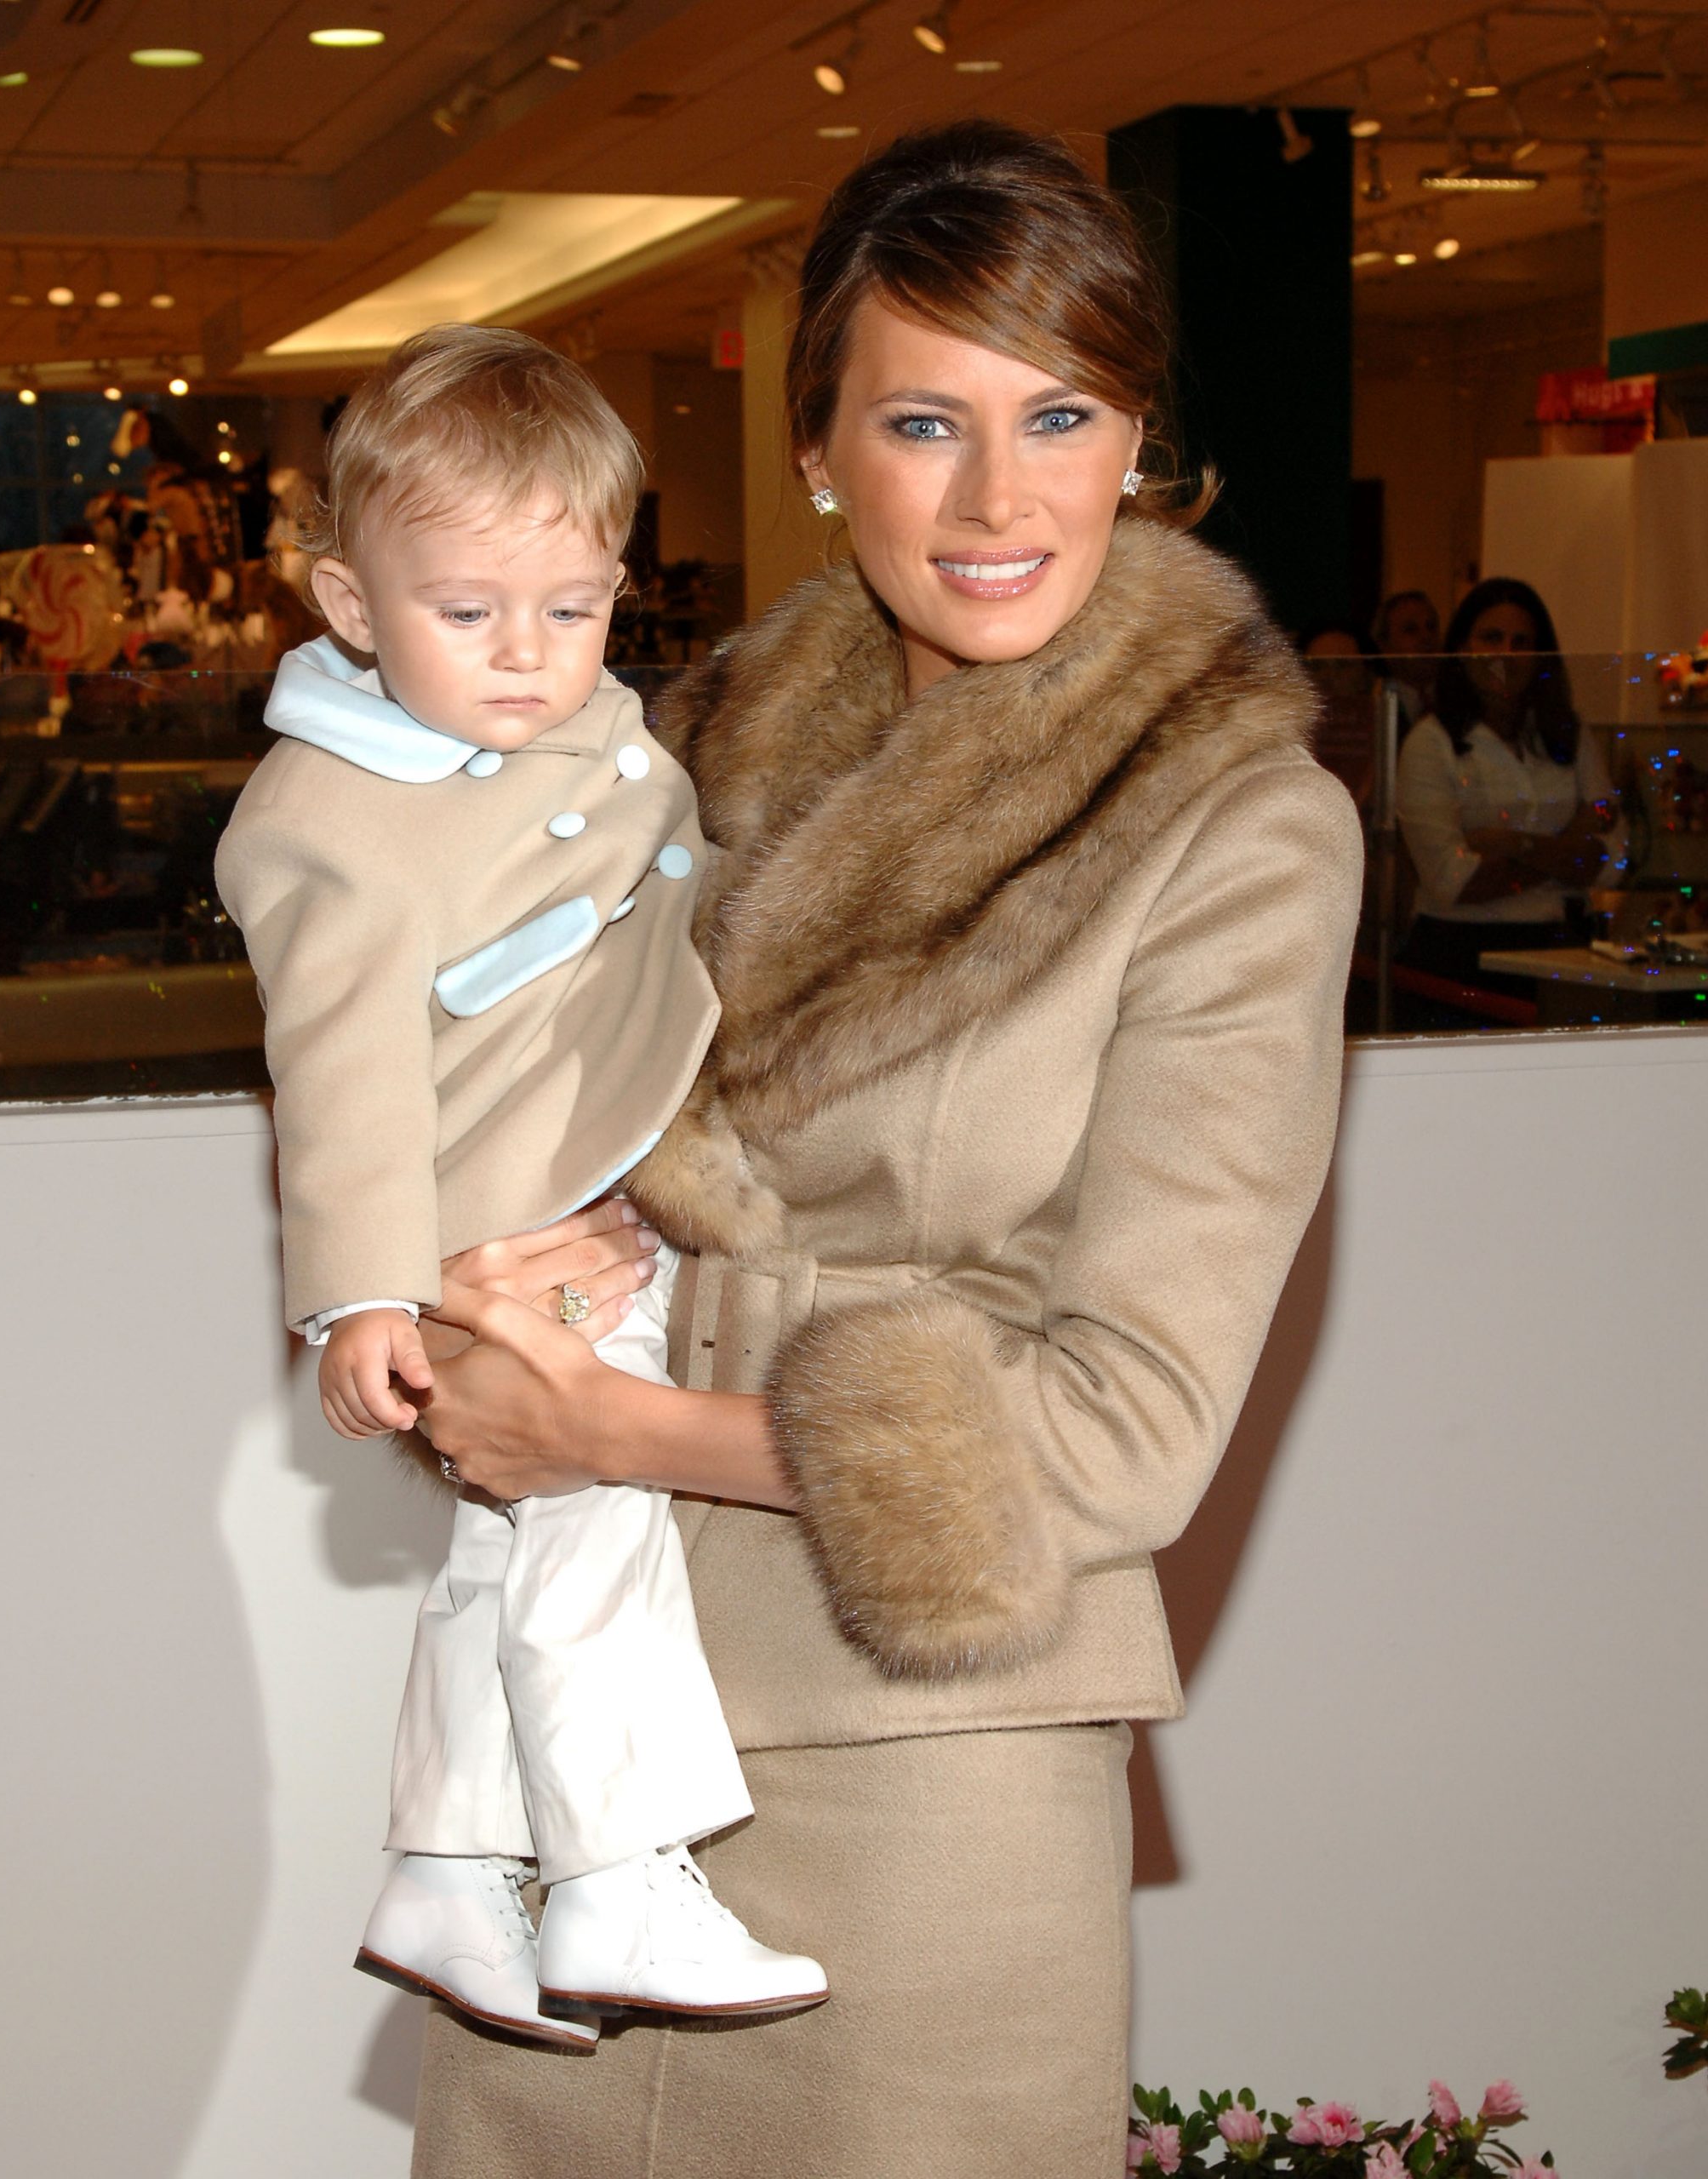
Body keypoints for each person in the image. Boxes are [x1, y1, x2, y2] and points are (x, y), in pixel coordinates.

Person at [399, 123, 1363, 2179]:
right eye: (926, 420)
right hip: (583, 1755)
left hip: (926, 1781)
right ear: (823, 449)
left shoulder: (1237, 831)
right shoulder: (684, 762)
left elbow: (1120, 1430)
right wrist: (491, 1302)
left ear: (1136, 442)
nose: (1001, 497)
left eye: (1064, 414)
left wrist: (617, 1418)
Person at [214, 326, 825, 2052]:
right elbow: (336, 1081)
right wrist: (363, 1293)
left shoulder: (571, 716)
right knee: (592, 1503)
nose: (525, 654)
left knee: (507, 1536)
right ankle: (619, 1862)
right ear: (348, 601)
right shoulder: (336, 820)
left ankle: (443, 1861)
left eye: (569, 609)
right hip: (502, 1226)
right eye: (466, 611)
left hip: (585, 1171)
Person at [1397, 575, 1619, 988]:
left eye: (1522, 642)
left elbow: (1612, 856)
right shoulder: (1430, 743)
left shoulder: (1570, 733)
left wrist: (1515, 844)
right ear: (1462, 650)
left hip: (1564, 948)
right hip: (1460, 957)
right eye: (1492, 637)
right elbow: (1451, 881)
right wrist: (1567, 850)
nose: (1507, 654)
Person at [1300, 620, 1379, 805]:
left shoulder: (1382, 727)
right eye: (1317, 667)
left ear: (1364, 674)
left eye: (1342, 666)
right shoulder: (1289, 734)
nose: (1329, 677)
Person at [1373, 586, 1442, 729]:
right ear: (1384, 646)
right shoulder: (1375, 703)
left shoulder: (1459, 699)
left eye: (1431, 627)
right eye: (1411, 630)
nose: (1426, 637)